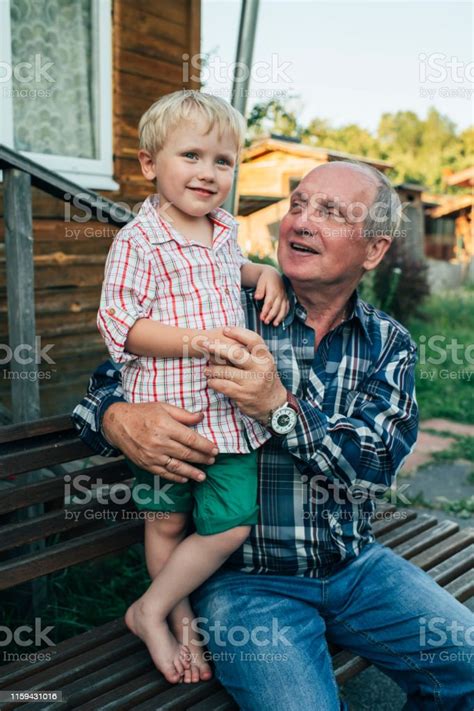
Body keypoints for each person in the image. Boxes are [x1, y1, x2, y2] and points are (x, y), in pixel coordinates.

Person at [74, 160, 474, 709]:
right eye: (299, 205)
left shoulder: (387, 342)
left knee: (467, 667)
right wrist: (119, 418)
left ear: (374, 250)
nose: (301, 222)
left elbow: (373, 464)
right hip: (247, 583)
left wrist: (278, 408)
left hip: (354, 565)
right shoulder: (220, 308)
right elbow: (102, 388)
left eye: (329, 212)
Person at [96, 90, 288, 685]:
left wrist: (268, 272)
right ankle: (176, 618)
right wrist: (198, 341)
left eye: (222, 161)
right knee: (167, 523)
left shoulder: (224, 231)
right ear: (151, 165)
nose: (207, 173)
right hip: (170, 421)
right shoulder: (138, 241)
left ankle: (148, 606)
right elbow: (122, 326)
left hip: (228, 421)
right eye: (191, 156)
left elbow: (235, 270)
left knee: (230, 521)